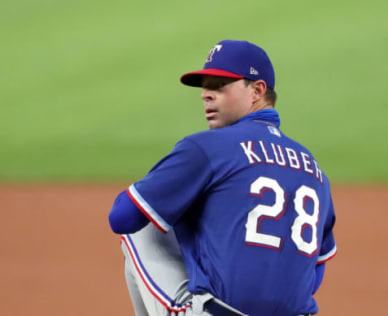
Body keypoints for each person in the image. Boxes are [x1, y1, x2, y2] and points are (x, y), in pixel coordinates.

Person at [109, 39, 337, 316]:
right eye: (205, 86)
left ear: (257, 90)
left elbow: (122, 218)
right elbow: (315, 273)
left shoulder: (207, 147)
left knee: (143, 227)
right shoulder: (314, 170)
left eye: (219, 85)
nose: (206, 94)